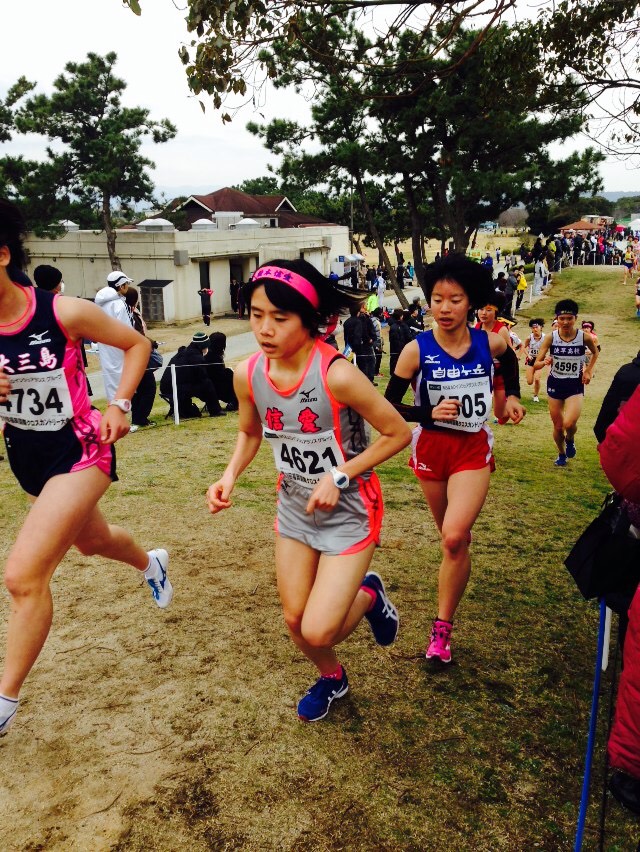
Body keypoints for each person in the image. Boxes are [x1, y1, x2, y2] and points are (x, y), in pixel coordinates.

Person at [206, 258, 411, 722]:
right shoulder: (248, 373)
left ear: (311, 319)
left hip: (350, 509)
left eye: (280, 318)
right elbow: (250, 433)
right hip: (296, 508)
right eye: (257, 315)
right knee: (296, 621)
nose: (265, 329)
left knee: (319, 629)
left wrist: (339, 475)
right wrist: (229, 475)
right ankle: (333, 679)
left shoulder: (337, 374)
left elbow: (397, 433)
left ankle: (369, 596)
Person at [0, 199, 172, 736]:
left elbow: (136, 344)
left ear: (2, 255)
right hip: (27, 459)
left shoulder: (61, 312)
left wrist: (119, 404)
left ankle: (3, 702)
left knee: (24, 577)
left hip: (81, 452)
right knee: (91, 542)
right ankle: (152, 564)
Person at [385, 254, 524, 663]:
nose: (444, 308)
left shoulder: (489, 341)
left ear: (471, 303)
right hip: (430, 449)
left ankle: (441, 630)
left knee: (452, 537)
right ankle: (460, 543)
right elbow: (389, 406)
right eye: (437, 299)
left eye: (455, 299)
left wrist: (511, 395)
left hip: (471, 450)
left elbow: (511, 360)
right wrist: (427, 412)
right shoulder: (415, 350)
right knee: (451, 538)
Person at [534, 298, 599, 466]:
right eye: (562, 319)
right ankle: (561, 454)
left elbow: (595, 353)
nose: (565, 322)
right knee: (557, 427)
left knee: (569, 423)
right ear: (557, 319)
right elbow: (537, 363)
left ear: (575, 318)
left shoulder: (583, 337)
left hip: (574, 385)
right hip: (555, 384)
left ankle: (570, 439)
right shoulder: (551, 338)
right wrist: (545, 362)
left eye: (569, 318)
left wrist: (589, 371)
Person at [159, 331, 225, 419]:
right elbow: (203, 378)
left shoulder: (183, 352)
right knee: (208, 384)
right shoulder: (196, 357)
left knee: (203, 384)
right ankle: (215, 410)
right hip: (177, 389)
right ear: (202, 346)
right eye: (206, 346)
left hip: (165, 387)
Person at [95, 270, 134, 401]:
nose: (128, 287)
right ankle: (123, 413)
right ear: (121, 285)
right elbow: (126, 329)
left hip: (104, 345)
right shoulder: (119, 304)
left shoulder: (101, 303)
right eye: (126, 284)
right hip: (118, 345)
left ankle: (113, 407)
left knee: (110, 378)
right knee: (122, 378)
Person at [125, 287, 160, 430]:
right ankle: (141, 418)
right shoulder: (132, 314)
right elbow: (139, 335)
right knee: (148, 388)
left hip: (130, 356)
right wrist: (151, 343)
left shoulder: (125, 311)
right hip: (139, 356)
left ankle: (137, 418)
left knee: (138, 389)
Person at [474, 295, 512, 424]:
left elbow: (510, 357)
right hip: (482, 374)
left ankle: (509, 410)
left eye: (489, 309)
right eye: (481, 309)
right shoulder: (477, 327)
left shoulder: (501, 330)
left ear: (496, 312)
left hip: (499, 375)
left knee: (499, 414)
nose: (483, 313)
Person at [204, 331, 239, 411]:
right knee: (231, 375)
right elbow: (219, 375)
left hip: (213, 384)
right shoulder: (213, 356)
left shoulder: (207, 354)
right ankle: (234, 402)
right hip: (217, 387)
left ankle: (234, 402)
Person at [343, 303, 376, 383]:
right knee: (364, 365)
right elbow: (358, 335)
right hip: (358, 347)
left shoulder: (346, 322)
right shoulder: (358, 322)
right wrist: (357, 347)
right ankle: (366, 382)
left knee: (351, 366)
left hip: (348, 347)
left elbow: (346, 337)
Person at [524, 318, 545, 402]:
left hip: (540, 360)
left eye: (536, 327)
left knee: (537, 378)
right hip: (531, 360)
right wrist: (528, 355)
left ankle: (535, 396)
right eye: (533, 328)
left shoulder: (545, 337)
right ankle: (531, 377)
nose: (535, 329)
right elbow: (523, 347)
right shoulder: (529, 338)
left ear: (541, 327)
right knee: (529, 381)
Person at [388, 308, 413, 375]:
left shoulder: (394, 326)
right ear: (401, 316)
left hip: (396, 348)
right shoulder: (402, 326)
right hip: (400, 348)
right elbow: (408, 337)